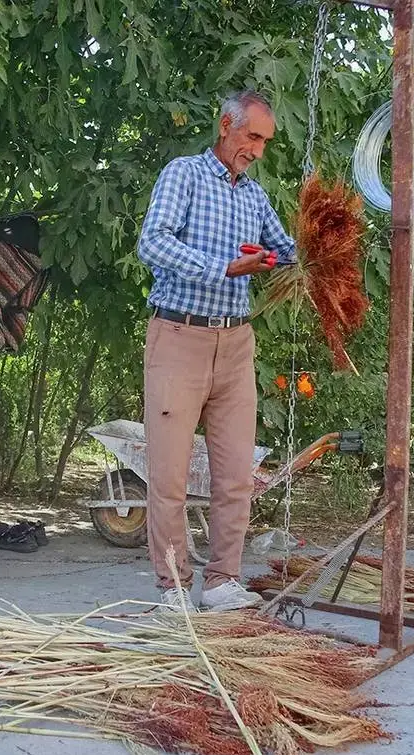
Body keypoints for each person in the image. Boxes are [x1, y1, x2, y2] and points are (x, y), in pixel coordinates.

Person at [136, 89, 297, 611]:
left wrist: (312, 246)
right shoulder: (184, 173)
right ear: (225, 126)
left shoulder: (254, 196)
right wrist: (226, 267)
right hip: (179, 336)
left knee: (235, 476)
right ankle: (174, 586)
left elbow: (286, 250)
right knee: (169, 475)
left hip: (235, 342)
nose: (258, 150)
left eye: (265, 142)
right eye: (252, 136)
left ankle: (223, 580)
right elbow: (153, 242)